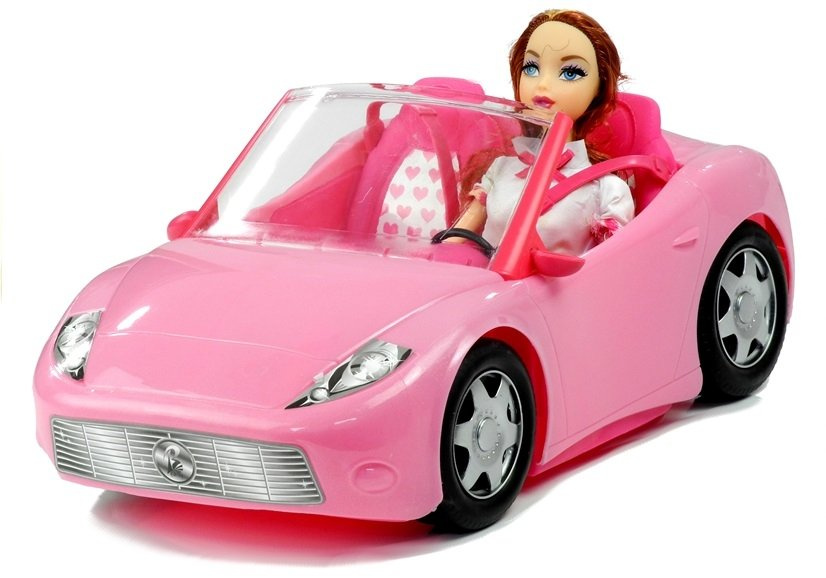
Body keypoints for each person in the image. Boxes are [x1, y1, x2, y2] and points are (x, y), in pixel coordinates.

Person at [454, 9, 634, 256]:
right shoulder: (501, 169)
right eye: (531, 68)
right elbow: (457, 236)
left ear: (598, 88)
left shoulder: (606, 190)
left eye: (570, 72)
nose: (543, 84)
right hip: (485, 278)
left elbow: (612, 266)